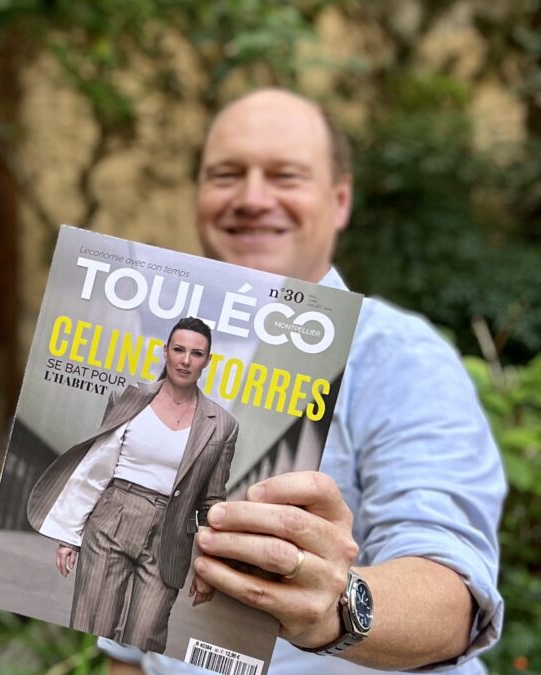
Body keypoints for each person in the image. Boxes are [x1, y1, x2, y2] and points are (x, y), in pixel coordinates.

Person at [101, 88, 505, 673]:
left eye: (285, 175)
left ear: (339, 201)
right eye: (226, 174)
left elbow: (454, 594)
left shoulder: (401, 358)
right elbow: (128, 639)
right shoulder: (167, 355)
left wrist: (338, 607)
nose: (252, 198)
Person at [27, 317, 238, 652]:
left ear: (207, 362)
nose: (185, 360)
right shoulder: (129, 397)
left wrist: (208, 566)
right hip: (113, 514)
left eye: (196, 354)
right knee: (91, 625)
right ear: (165, 351)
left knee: (145, 638)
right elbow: (98, 467)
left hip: (170, 535)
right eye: (179, 350)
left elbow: (211, 501)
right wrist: (70, 536)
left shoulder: (222, 425)